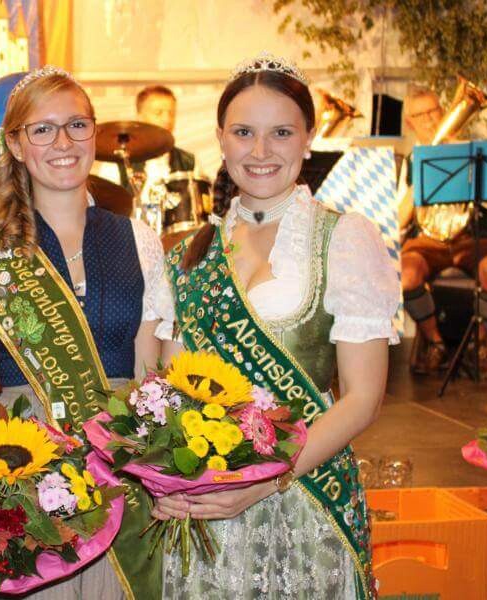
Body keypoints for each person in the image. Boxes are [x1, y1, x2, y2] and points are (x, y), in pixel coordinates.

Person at [154, 52, 399, 599]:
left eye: (281, 133)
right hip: (208, 503)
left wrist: (266, 481)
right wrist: (165, 479)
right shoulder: (189, 254)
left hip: (307, 495)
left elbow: (363, 399)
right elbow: (169, 390)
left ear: (309, 138)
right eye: (244, 132)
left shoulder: (343, 239)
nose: (261, 151)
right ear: (220, 139)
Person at [0, 66, 178, 599]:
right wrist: (0, 482)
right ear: (15, 144)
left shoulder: (138, 239)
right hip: (27, 472)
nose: (64, 142)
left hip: (124, 472)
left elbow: (150, 373)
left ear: (94, 131)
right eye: (43, 129)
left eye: (77, 125)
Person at [398, 86, 487, 375]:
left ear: (444, 111)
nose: (429, 119)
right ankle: (436, 343)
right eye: (420, 115)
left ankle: (480, 343)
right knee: (404, 276)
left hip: (471, 236)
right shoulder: (409, 162)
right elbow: (400, 220)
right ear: (409, 122)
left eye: (433, 111)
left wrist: (465, 160)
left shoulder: (472, 153)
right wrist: (420, 177)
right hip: (427, 241)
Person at [98, 85, 196, 197]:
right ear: (140, 117)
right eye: (158, 113)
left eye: (171, 113)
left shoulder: (189, 162)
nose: (167, 119)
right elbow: (104, 203)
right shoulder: (115, 162)